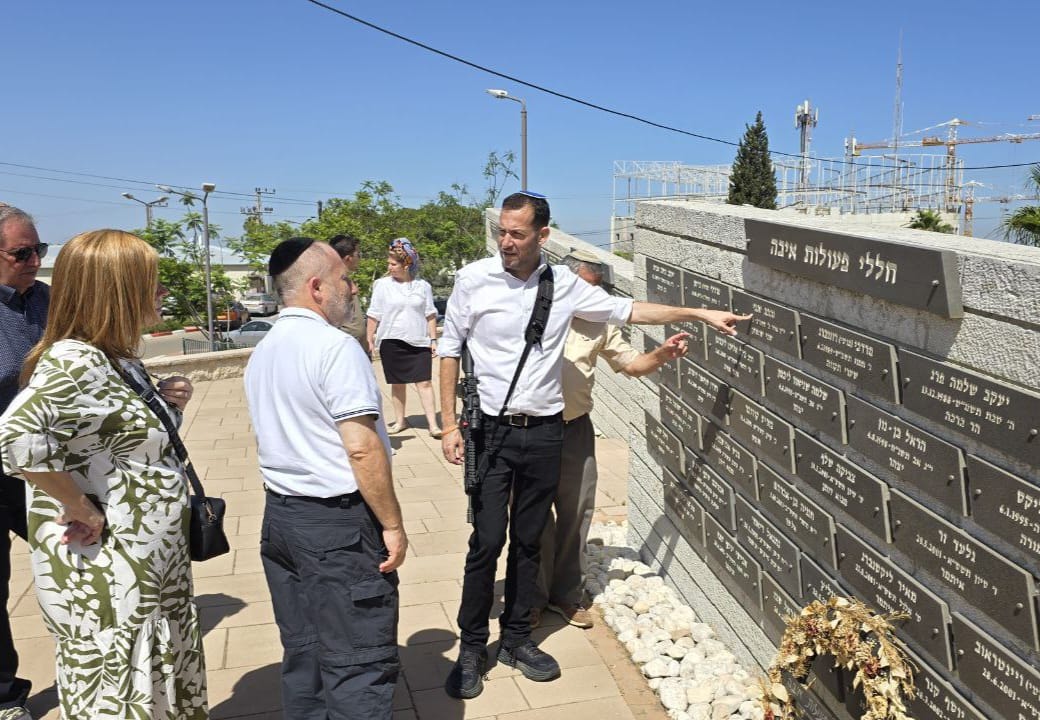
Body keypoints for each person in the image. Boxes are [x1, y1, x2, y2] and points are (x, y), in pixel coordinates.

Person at [438, 191, 749, 699]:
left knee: (530, 541)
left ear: (543, 235)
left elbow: (631, 311)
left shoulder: (564, 286)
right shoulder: (474, 278)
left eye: (517, 233)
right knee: (488, 540)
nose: (506, 242)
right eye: (502, 231)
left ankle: (517, 638)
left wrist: (696, 313)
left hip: (544, 432)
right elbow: (450, 348)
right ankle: (472, 647)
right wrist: (450, 426)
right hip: (490, 431)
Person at [0, 229, 205, 719]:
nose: (162, 293)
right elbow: (17, 438)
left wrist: (167, 406)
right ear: (117, 289)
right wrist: (78, 505)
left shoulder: (116, 355)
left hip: (148, 573)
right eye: (151, 282)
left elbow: (124, 441)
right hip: (114, 577)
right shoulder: (76, 360)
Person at [245, 238, 407, 720]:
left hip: (283, 519)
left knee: (307, 655)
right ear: (316, 287)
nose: (350, 289)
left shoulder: (265, 348)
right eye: (342, 280)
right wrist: (392, 525)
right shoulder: (334, 348)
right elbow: (361, 447)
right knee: (357, 660)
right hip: (336, 529)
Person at [534, 249, 691, 630]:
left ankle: (567, 595)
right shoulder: (533, 311)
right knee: (533, 517)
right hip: (531, 429)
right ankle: (532, 598)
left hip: (574, 428)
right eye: (586, 291)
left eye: (599, 291)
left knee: (577, 513)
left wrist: (661, 354)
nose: (593, 300)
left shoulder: (600, 322)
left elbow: (630, 364)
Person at [0, 205, 47, 719]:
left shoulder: (47, 300)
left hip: (42, 466)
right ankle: (5, 697)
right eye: (22, 252)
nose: (35, 260)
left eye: (39, 249)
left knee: (86, 556)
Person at [366, 238, 441, 437]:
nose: (389, 267)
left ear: (406, 264)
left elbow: (430, 314)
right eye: (388, 264)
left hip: (418, 340)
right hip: (391, 340)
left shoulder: (423, 286)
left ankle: (433, 424)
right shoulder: (381, 285)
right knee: (397, 383)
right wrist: (369, 338)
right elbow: (374, 313)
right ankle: (400, 421)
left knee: (424, 382)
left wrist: (433, 340)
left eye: (393, 264)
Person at [330, 233, 370, 357]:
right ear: (348, 258)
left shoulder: (344, 279)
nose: (360, 258)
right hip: (347, 351)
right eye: (358, 254)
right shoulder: (330, 282)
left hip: (358, 349)